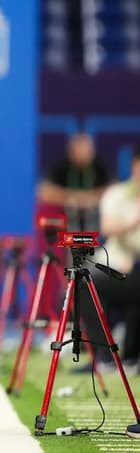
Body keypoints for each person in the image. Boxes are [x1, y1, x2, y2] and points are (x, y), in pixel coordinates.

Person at [79, 142, 140, 378]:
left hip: (136, 271)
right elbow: (108, 226)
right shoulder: (117, 194)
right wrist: (135, 219)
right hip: (115, 267)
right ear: (133, 166)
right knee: (84, 281)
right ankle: (104, 356)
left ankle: (131, 357)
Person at [37, 132, 111, 231]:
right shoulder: (61, 166)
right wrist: (73, 199)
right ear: (70, 152)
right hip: (64, 220)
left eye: (86, 151)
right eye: (78, 151)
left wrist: (90, 200)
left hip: (95, 220)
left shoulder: (100, 166)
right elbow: (44, 192)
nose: (82, 154)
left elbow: (112, 191)